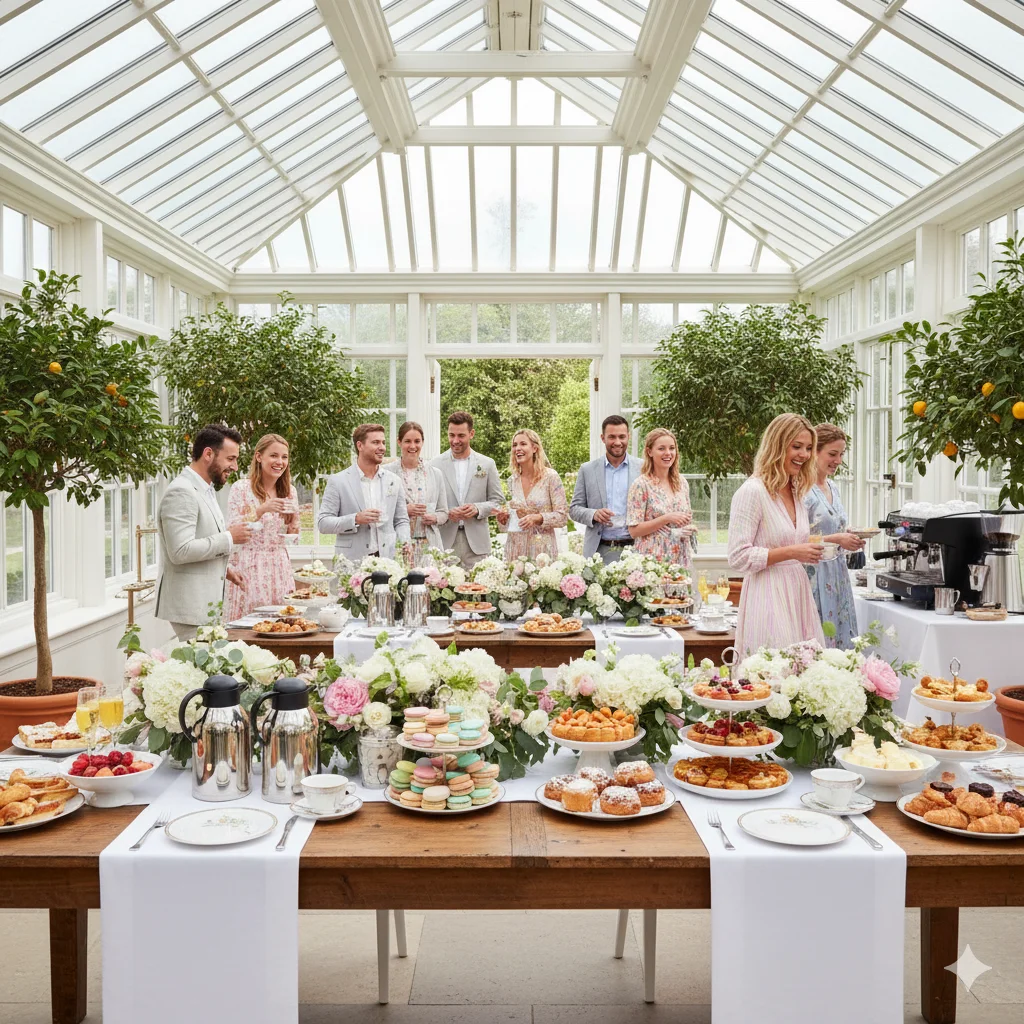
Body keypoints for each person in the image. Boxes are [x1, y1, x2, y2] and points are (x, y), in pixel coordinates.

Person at [728, 413, 826, 655]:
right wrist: (792, 552)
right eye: (797, 446)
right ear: (777, 446)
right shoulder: (752, 491)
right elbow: (738, 557)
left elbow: (796, 543)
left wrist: (811, 549)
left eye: (808, 448)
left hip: (797, 591)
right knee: (772, 673)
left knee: (804, 671)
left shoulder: (796, 490)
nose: (804, 454)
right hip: (767, 593)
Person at [155, 424, 251, 639]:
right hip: (191, 608)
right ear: (208, 454)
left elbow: (201, 538)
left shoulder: (205, 489)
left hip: (206, 607)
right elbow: (180, 551)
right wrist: (229, 538)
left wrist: (224, 569)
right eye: (230, 458)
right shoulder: (182, 492)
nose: (235, 466)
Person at [224, 433, 300, 619]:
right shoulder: (241, 488)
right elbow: (232, 528)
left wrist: (293, 524)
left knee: (281, 622)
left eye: (284, 457)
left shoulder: (290, 491)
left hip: (280, 566)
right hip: (248, 564)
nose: (280, 462)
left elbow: (293, 538)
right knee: (248, 626)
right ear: (259, 457)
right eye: (274, 455)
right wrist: (261, 510)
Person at [804, 424, 864, 649]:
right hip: (813, 574)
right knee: (819, 637)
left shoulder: (833, 487)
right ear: (814, 452)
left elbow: (832, 529)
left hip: (837, 573)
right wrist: (838, 539)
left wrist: (849, 537)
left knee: (841, 636)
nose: (838, 460)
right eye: (832, 454)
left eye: (841, 454)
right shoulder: (802, 489)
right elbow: (797, 538)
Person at [318, 423, 410, 562]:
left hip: (387, 562)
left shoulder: (394, 480)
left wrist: (404, 541)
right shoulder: (338, 481)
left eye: (383, 442)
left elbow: (401, 520)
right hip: (351, 563)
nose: (382, 447)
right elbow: (323, 523)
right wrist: (355, 519)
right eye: (376, 442)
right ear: (360, 446)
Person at [432, 411, 503, 569]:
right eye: (451, 435)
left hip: (477, 545)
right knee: (444, 592)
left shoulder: (487, 464)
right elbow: (429, 503)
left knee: (478, 591)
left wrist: (477, 508)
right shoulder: (434, 465)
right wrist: (447, 512)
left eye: (461, 436)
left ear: (471, 434)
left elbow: (498, 502)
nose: (455, 441)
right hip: (445, 542)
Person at [569, 415, 642, 564]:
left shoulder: (643, 468)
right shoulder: (587, 469)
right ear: (603, 438)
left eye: (622, 437)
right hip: (598, 551)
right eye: (612, 437)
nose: (617, 442)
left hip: (636, 550)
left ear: (628, 436)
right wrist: (593, 514)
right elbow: (574, 509)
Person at [495, 429, 568, 563]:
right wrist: (503, 519)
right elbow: (508, 524)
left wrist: (538, 518)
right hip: (515, 550)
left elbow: (562, 517)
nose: (517, 448)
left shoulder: (551, 477)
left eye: (523, 444)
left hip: (542, 552)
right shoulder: (512, 480)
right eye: (514, 445)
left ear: (534, 448)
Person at [626, 427, 695, 568]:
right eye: (661, 449)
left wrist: (689, 529)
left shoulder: (682, 483)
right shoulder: (641, 485)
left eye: (672, 448)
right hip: (653, 563)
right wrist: (666, 518)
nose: (668, 453)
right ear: (649, 451)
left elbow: (685, 519)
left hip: (680, 560)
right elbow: (634, 531)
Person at [382, 420, 449, 560]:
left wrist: (435, 517)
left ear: (422, 442)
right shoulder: (386, 473)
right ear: (399, 442)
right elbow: (380, 511)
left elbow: (444, 512)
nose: (413, 446)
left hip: (430, 546)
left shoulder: (435, 474)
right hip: (399, 545)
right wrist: (404, 510)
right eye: (407, 441)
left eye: (417, 441)